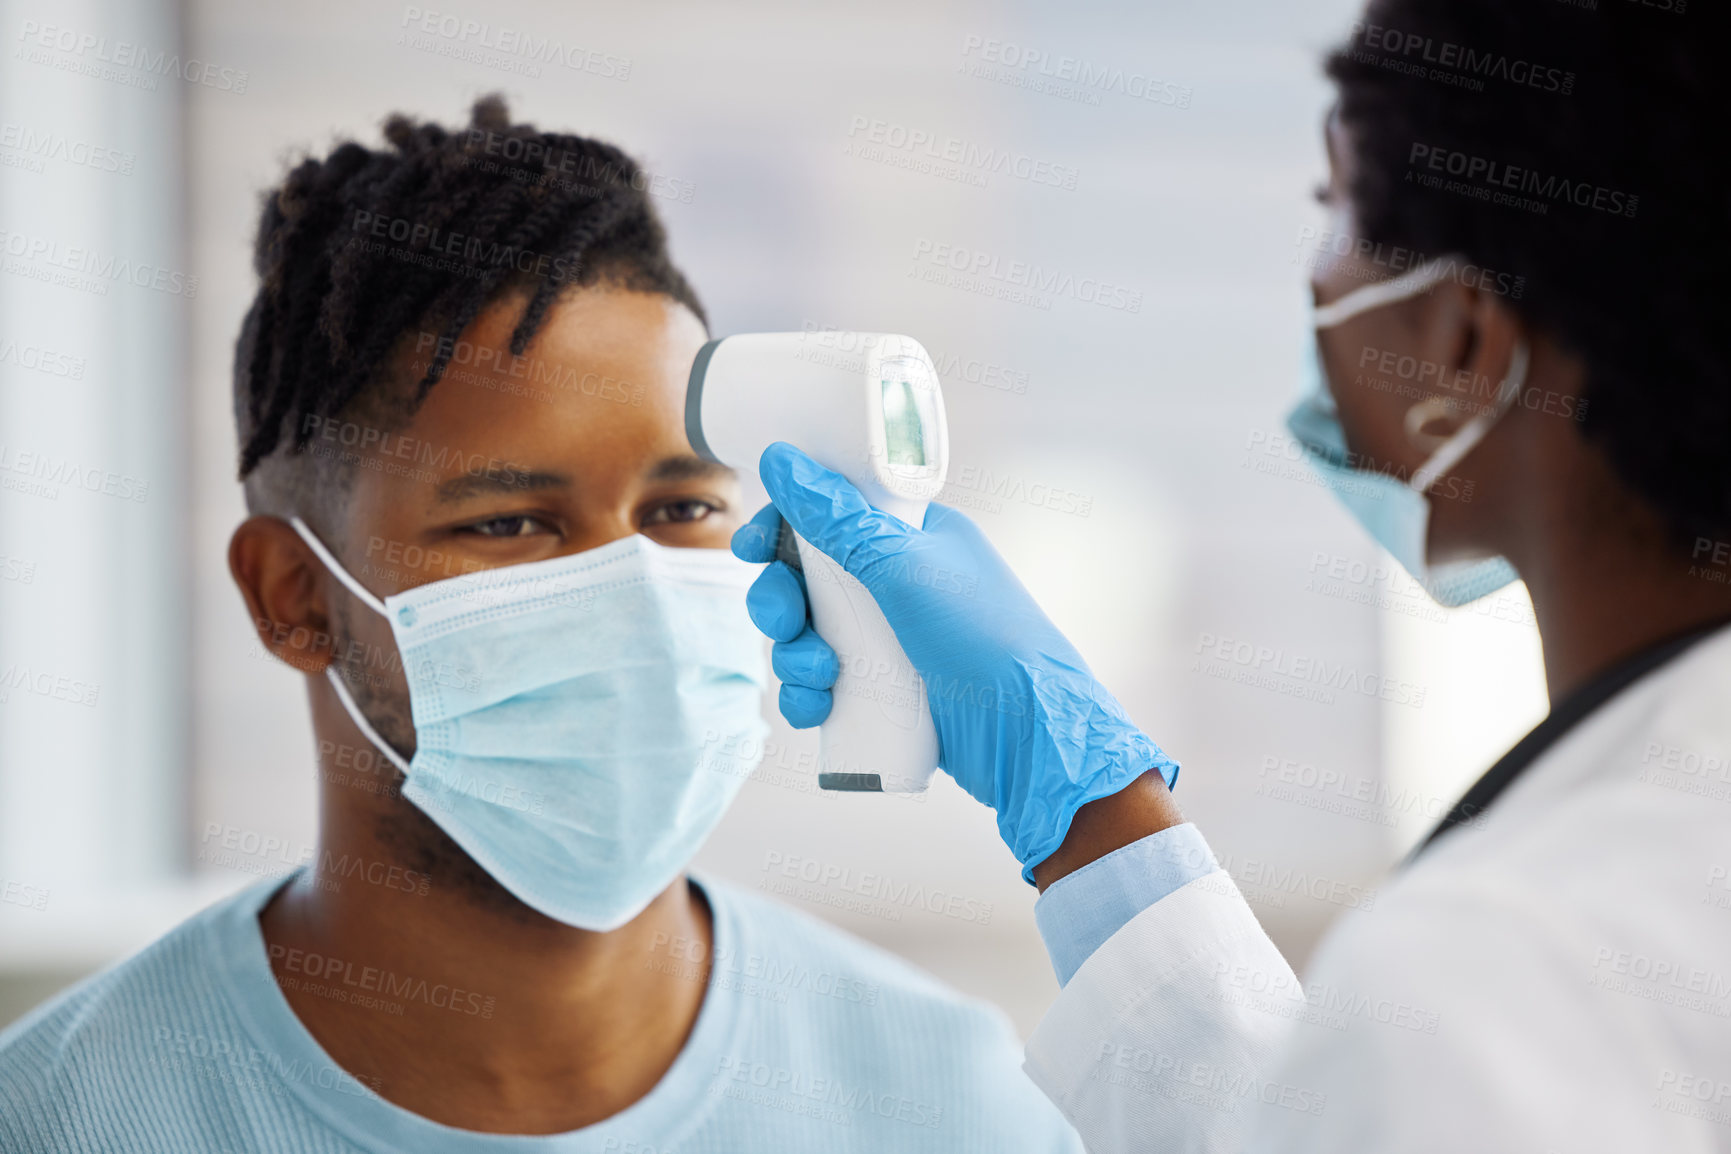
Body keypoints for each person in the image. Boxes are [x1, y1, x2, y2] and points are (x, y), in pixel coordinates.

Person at [732, 1, 1731, 1149]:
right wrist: (1088, 808)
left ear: (1462, 341)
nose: (1313, 283)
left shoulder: (1510, 965)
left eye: (1331, 212)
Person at [0, 97, 1082, 1153]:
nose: (637, 593)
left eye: (682, 509)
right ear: (293, 595)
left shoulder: (951, 1099)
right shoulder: (57, 1117)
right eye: (512, 521)